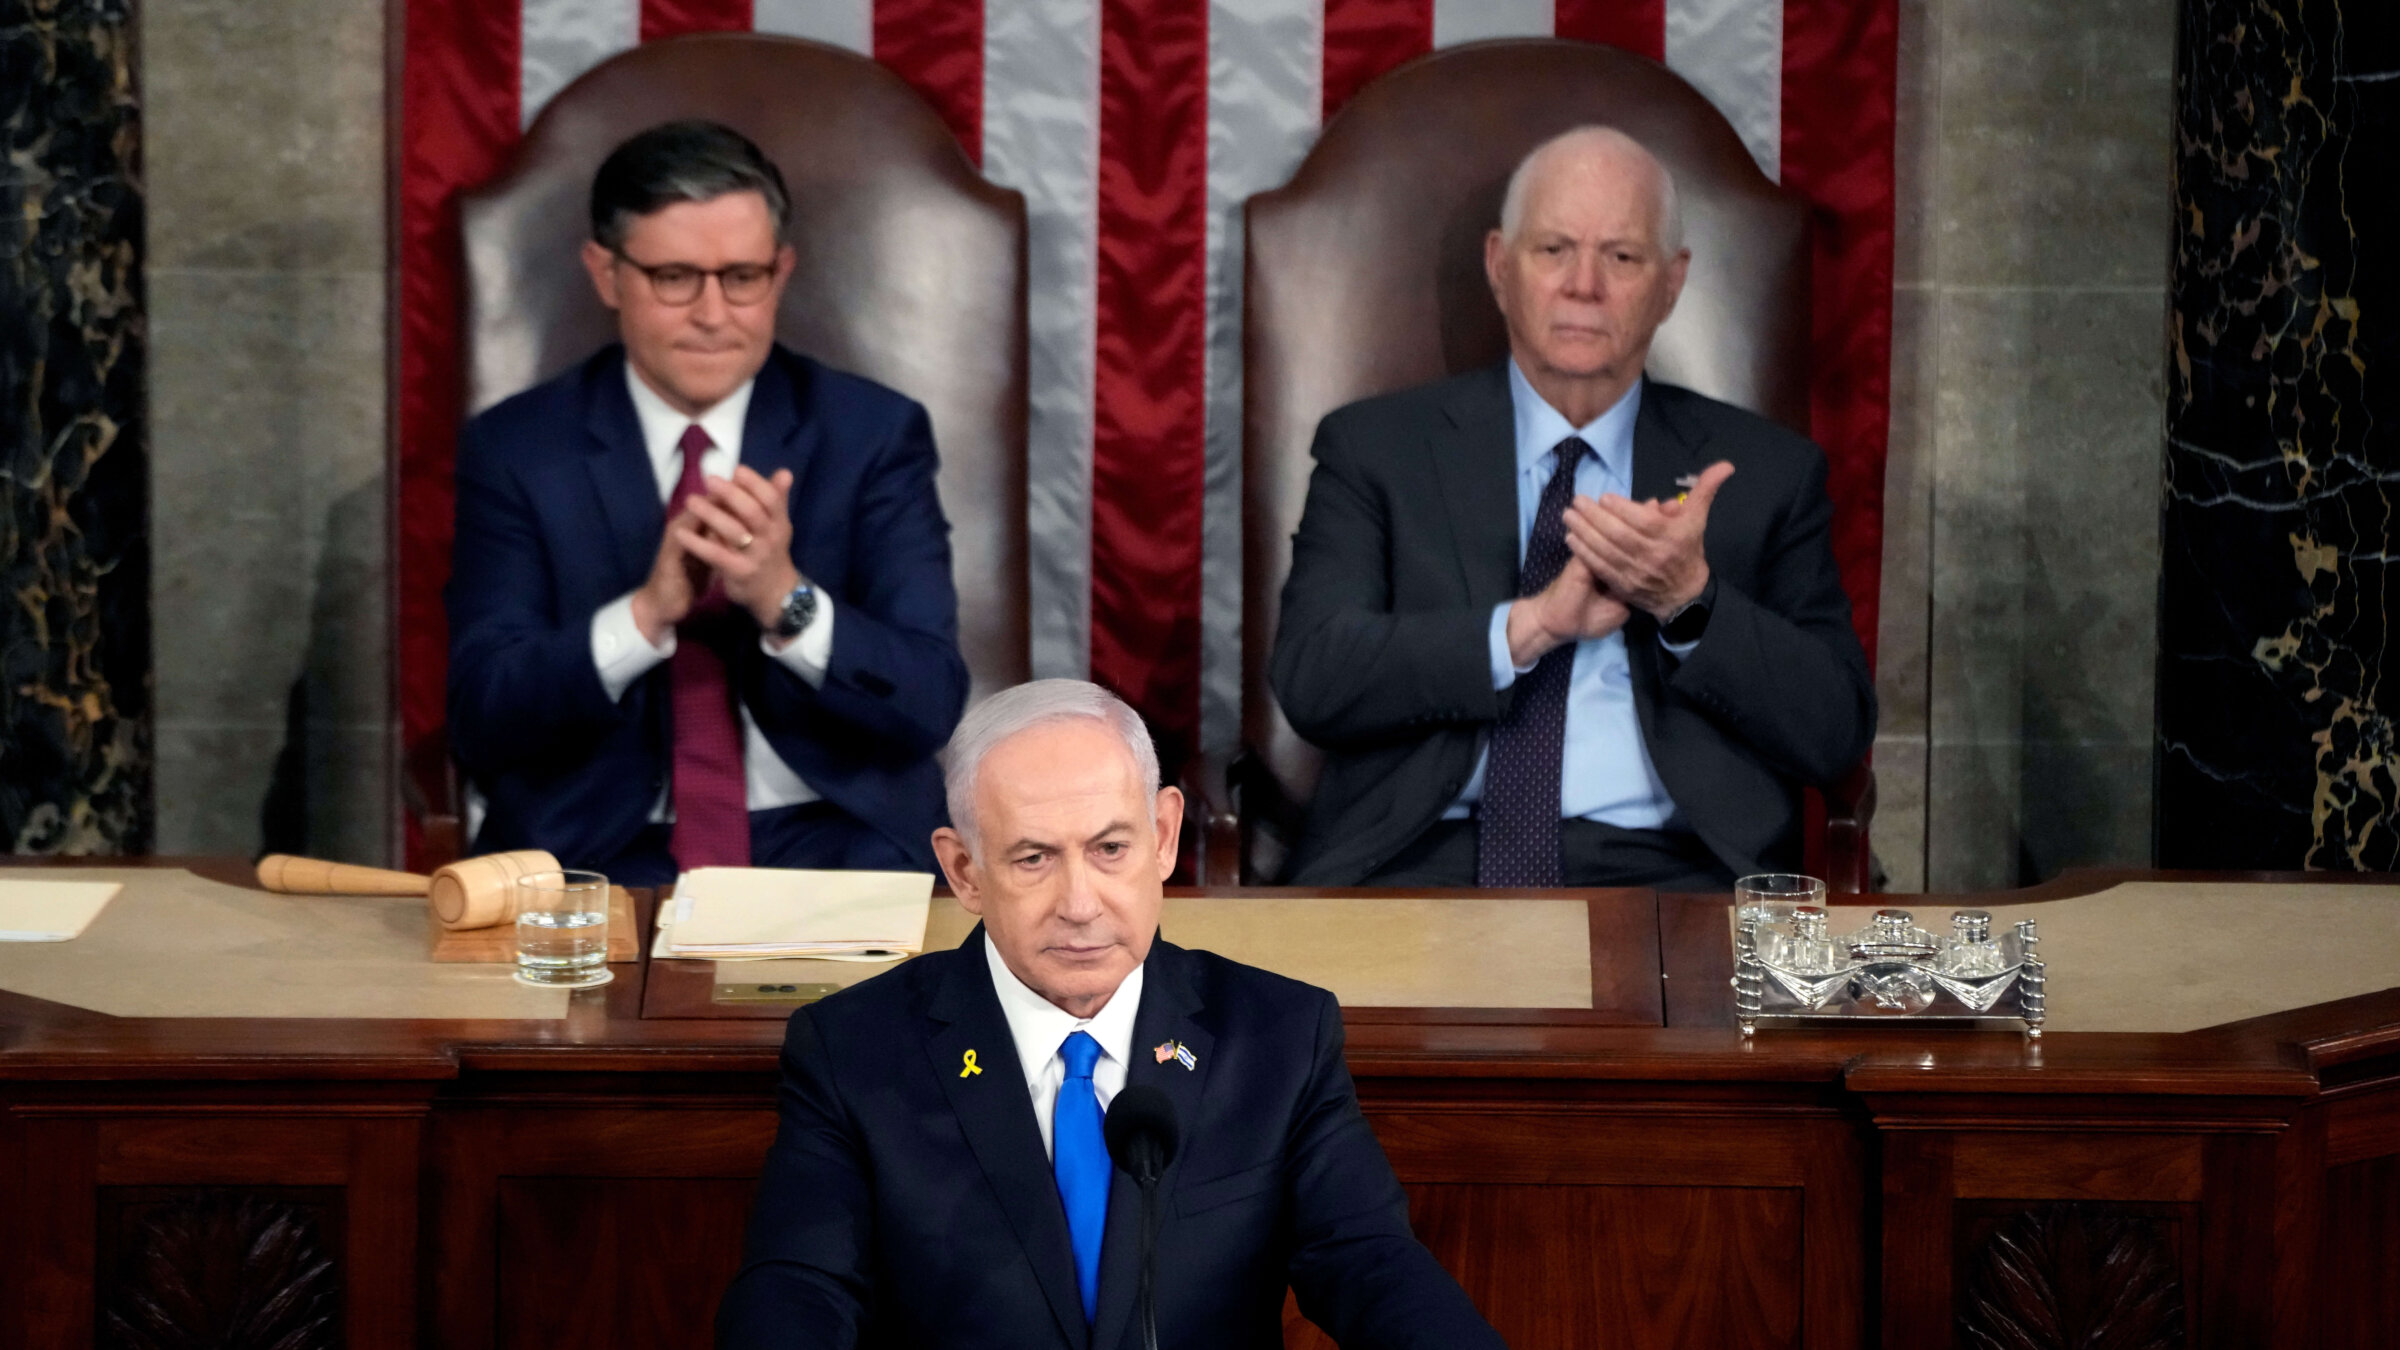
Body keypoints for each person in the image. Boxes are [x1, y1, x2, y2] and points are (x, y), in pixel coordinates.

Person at [716, 679, 1508, 1350]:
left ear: (1164, 837)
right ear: (964, 871)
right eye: (1033, 859)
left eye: (1110, 849)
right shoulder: (855, 1049)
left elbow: (1371, 1264)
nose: (1080, 904)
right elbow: (798, 1286)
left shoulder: (1277, 1034)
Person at [1269, 126, 1874, 890]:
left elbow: (1834, 733)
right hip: (1418, 863)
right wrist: (1527, 629)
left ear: (1672, 283)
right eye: (1553, 249)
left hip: (1671, 882)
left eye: (1621, 257)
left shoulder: (1765, 473)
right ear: (1499, 265)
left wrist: (1690, 604)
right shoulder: (1377, 449)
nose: (1583, 284)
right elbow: (1314, 678)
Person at [446, 120, 966, 884]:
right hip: (597, 851)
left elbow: (927, 701)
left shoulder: (873, 435)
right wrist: (646, 615)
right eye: (675, 277)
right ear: (607, 274)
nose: (714, 314)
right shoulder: (519, 449)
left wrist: (783, 599)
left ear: (781, 272)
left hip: (835, 840)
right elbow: (484, 716)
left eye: (742, 277)